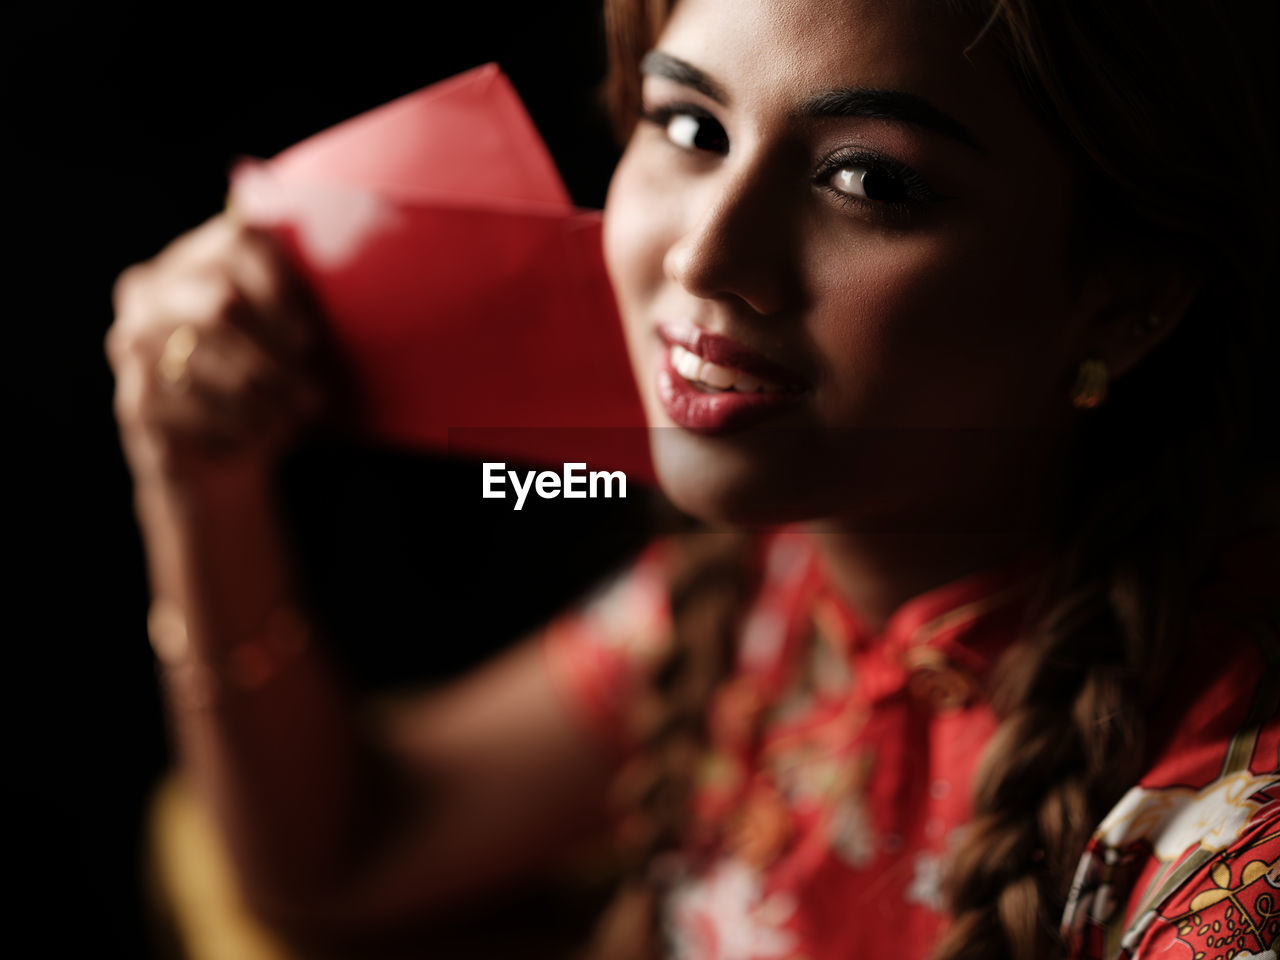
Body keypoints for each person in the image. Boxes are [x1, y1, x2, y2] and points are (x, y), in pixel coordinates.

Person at [106, 0, 1278, 958]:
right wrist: (199, 483)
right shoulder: (764, 588)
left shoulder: (1228, 857)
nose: (705, 254)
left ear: (1126, 301)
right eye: (689, 127)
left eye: (869, 181)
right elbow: (345, 855)